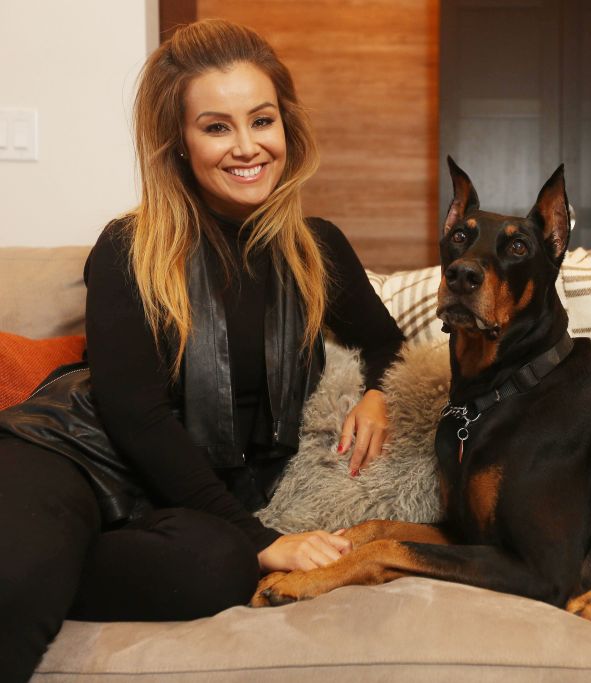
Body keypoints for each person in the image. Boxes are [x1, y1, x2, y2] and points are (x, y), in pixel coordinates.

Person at [0, 19, 404, 680]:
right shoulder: (130, 246)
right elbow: (136, 416)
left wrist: (382, 394)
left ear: (286, 127)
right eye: (216, 126)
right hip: (73, 457)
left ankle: (51, 553)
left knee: (212, 568)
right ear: (179, 142)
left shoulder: (318, 249)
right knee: (21, 576)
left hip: (181, 506)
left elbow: (390, 341)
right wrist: (268, 540)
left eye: (262, 120)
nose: (247, 147)